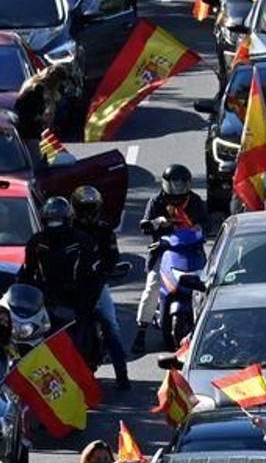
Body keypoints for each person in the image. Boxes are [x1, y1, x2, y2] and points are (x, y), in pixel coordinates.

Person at [134, 164, 210, 356]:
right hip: (164, 252)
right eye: (173, 185)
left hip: (193, 251)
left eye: (181, 185)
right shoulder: (156, 201)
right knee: (152, 287)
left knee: (208, 285)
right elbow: (145, 225)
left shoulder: (195, 201)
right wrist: (158, 223)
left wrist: (199, 228)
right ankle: (141, 332)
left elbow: (207, 224)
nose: (177, 189)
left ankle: (209, 329)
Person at [20, 196, 101, 359]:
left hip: (78, 297)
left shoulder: (83, 240)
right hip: (45, 299)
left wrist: (86, 299)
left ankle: (121, 375)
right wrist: (19, 291)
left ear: (68, 219)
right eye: (51, 221)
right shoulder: (36, 242)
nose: (54, 225)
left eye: (57, 220)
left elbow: (93, 273)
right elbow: (27, 272)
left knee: (109, 323)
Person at [71, 185, 131, 390]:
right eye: (83, 209)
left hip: (96, 285)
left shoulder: (104, 230)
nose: (87, 214)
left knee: (110, 326)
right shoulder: (67, 230)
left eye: (90, 209)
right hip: (72, 287)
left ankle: (122, 374)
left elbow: (112, 257)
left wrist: (102, 272)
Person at [14, 62, 77, 145]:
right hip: (30, 133)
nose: (59, 86)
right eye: (59, 83)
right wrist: (42, 120)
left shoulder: (34, 83)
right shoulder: (38, 89)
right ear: (54, 80)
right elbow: (32, 113)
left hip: (29, 131)